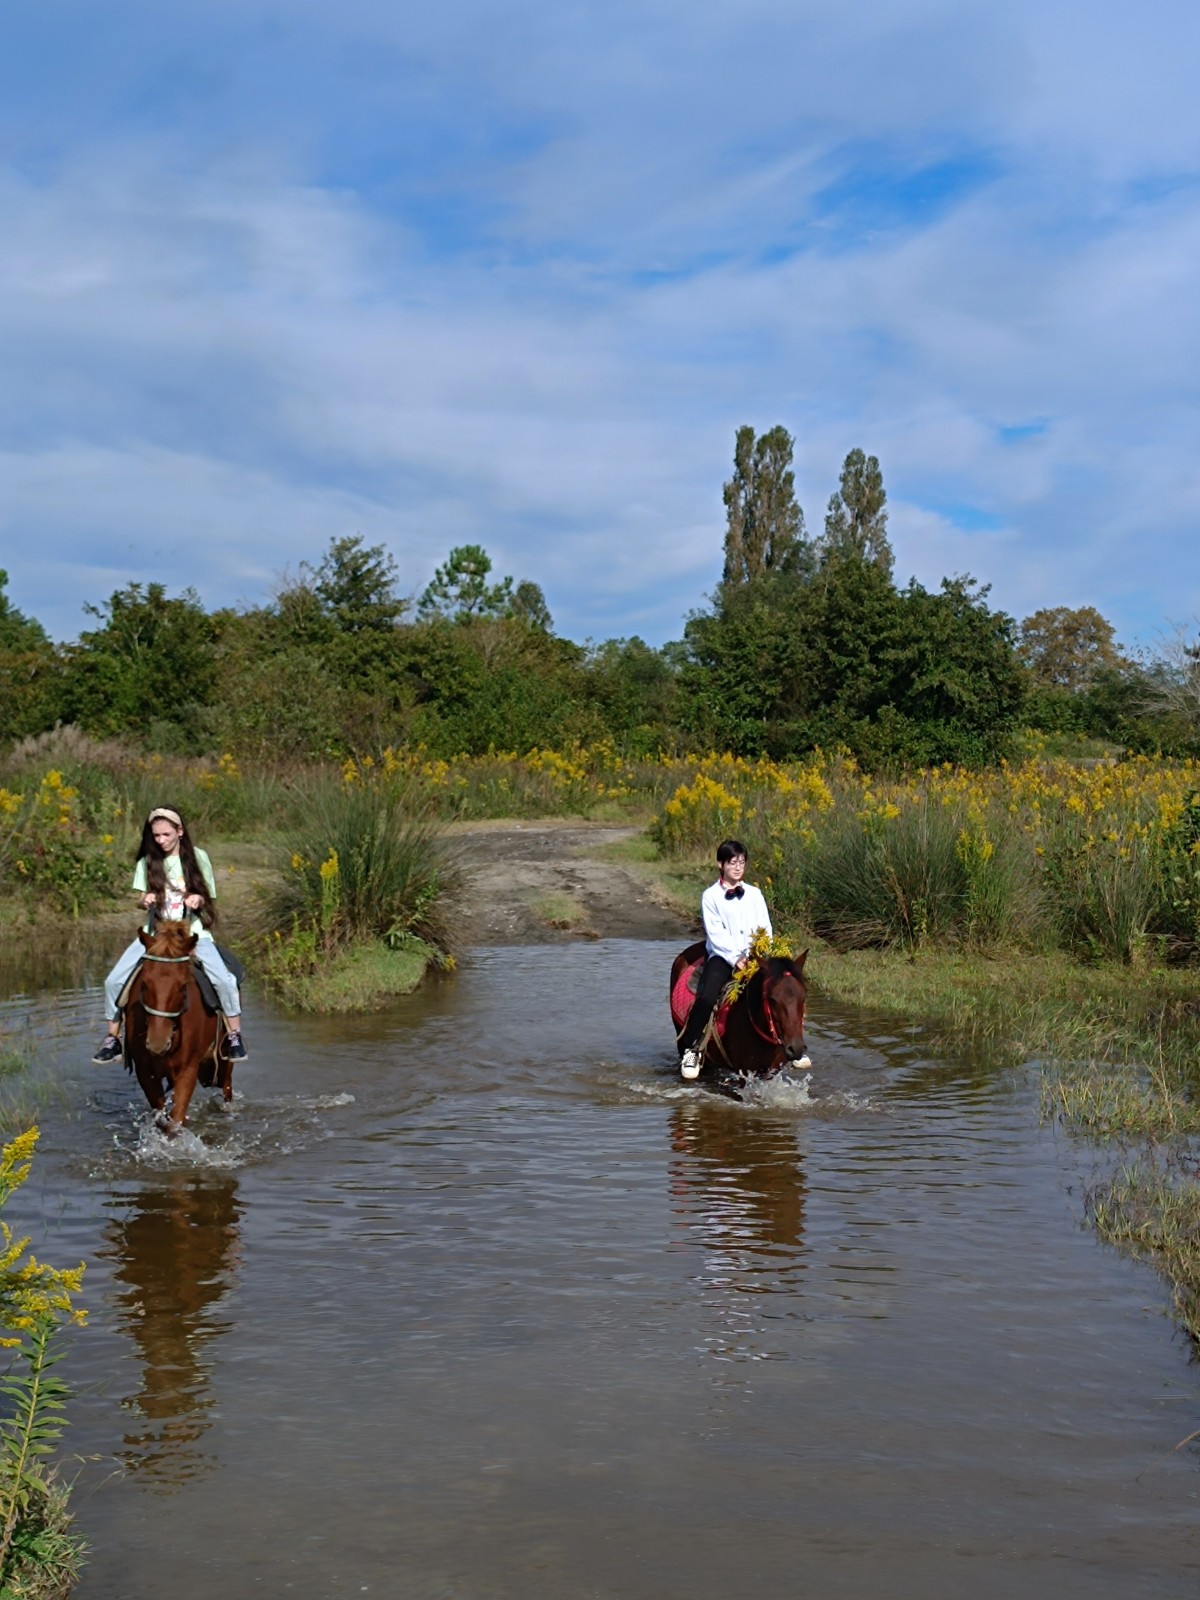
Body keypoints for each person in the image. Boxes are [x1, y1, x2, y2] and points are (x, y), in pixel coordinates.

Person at [92, 807, 248, 1064]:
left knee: (224, 980)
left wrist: (199, 897)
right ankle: (113, 1037)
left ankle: (234, 1034)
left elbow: (209, 895)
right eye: (156, 835)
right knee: (113, 981)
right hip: (156, 935)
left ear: (180, 831)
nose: (161, 840)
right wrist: (145, 900)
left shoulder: (198, 857)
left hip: (192, 934)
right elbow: (140, 898)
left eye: (166, 834)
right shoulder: (147, 862)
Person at [677, 838, 771, 1080]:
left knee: (782, 989)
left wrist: (758, 953)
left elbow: (765, 928)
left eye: (741, 862)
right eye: (732, 863)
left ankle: (792, 1044)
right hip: (723, 956)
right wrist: (736, 958)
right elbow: (715, 934)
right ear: (721, 864)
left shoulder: (755, 894)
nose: (738, 867)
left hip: (754, 956)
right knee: (708, 995)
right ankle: (692, 1048)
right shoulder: (710, 896)